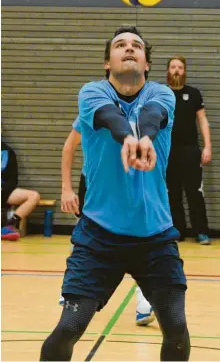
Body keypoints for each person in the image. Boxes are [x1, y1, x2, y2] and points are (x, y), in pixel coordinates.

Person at [40, 26, 190, 361]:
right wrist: (128, 139)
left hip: (155, 234)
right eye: (120, 45)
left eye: (136, 45)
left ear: (147, 64)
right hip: (98, 237)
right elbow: (109, 118)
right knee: (69, 327)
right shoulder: (91, 93)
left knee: (176, 327)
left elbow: (154, 117)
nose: (128, 49)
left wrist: (146, 138)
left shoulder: (162, 94)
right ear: (108, 62)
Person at [60, 117, 155, 326]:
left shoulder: (145, 109)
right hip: (96, 184)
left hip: (133, 182)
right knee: (85, 233)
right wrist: (66, 189)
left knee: (142, 237)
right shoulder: (95, 107)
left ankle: (145, 301)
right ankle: (72, 288)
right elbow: (69, 145)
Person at [166, 56, 212, 245]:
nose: (177, 70)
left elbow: (202, 120)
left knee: (195, 192)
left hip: (191, 150)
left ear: (184, 71)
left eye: (180, 67)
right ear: (168, 70)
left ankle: (201, 231)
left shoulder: (193, 94)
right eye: (173, 67)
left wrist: (207, 146)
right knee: (172, 193)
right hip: (168, 151)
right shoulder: (161, 94)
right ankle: (178, 230)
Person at [1, 139, 40, 241]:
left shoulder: (8, 152)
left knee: (34, 196)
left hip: (3, 191)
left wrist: (3, 190)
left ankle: (9, 226)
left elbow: (13, 179)